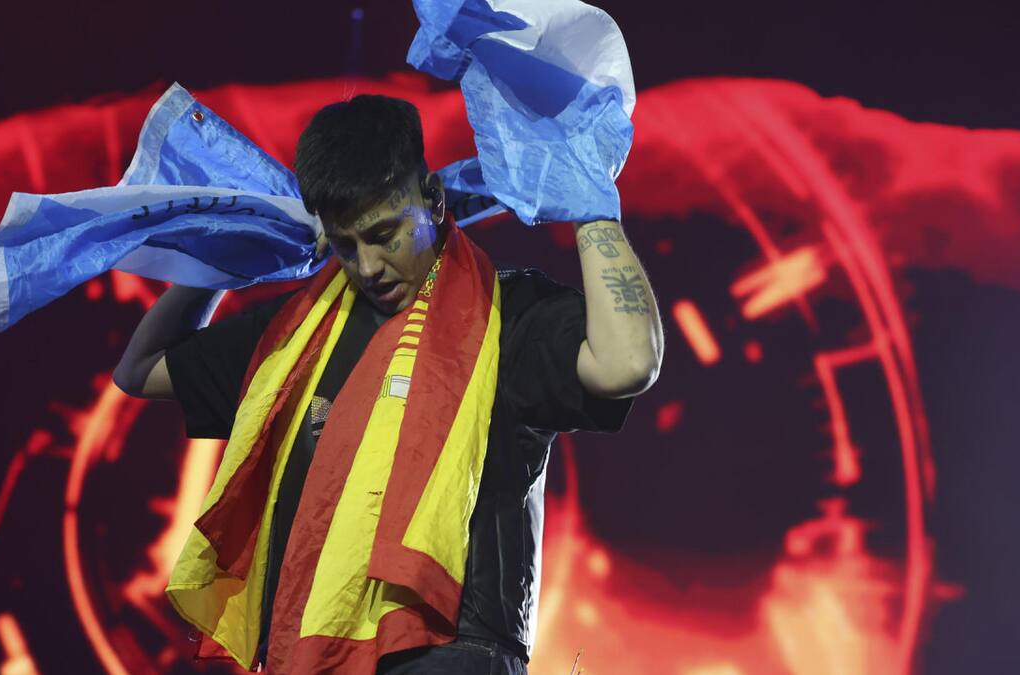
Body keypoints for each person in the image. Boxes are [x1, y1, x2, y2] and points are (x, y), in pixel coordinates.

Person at [113, 95, 663, 675]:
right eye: (347, 244)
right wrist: (220, 264)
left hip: (457, 654)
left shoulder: (507, 316)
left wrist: (594, 213)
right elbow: (141, 368)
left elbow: (628, 363)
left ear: (432, 197)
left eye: (385, 233)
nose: (369, 265)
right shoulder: (297, 339)